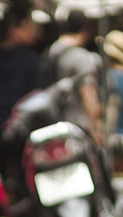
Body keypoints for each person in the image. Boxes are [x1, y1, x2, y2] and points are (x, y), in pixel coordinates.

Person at [0, 1, 42, 186]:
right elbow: (35, 99)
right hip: (21, 132)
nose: (33, 31)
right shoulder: (30, 62)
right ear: (14, 28)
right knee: (27, 183)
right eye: (29, 26)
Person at [41, 9, 104, 144]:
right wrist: (95, 128)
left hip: (49, 124)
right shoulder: (81, 57)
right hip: (76, 128)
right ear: (86, 28)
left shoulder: (50, 52)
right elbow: (87, 92)